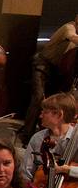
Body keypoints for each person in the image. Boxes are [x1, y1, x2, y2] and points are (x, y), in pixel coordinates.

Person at [20, 14, 78, 144]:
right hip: (42, 64)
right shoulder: (69, 27)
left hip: (57, 71)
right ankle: (27, 136)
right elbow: (73, 37)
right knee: (38, 98)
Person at [22, 92, 78, 181]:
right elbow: (25, 174)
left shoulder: (76, 137)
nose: (40, 116)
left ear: (59, 115)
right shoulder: (38, 138)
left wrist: (66, 169)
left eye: (45, 112)